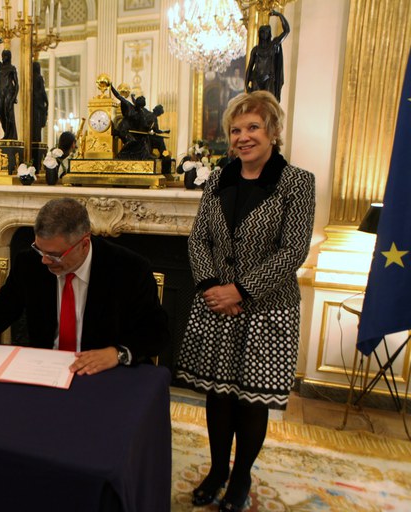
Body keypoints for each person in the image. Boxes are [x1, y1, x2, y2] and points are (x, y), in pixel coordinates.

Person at [175, 91, 315, 511]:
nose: (243, 137)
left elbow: (294, 250)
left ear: (272, 132)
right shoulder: (218, 178)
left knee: (251, 401)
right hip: (216, 305)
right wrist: (211, 287)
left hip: (268, 309)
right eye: (236, 130)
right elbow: (199, 238)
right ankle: (218, 469)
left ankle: (240, 478)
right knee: (218, 397)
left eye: (253, 127)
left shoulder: (297, 182)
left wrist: (242, 290)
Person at [0, 198, 170, 376]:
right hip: (45, 371)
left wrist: (117, 353)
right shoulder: (30, 263)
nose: (44, 261)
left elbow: (157, 332)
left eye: (55, 255)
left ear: (84, 244)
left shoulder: (128, 268)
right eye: (40, 250)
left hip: (103, 374)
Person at [245, 10, 290, 101]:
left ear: (269, 34)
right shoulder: (256, 49)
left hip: (269, 78)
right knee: (255, 104)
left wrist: (279, 15)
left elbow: (286, 31)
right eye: (262, 32)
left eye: (266, 32)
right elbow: (250, 66)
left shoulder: (273, 45)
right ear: (259, 34)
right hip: (256, 78)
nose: (264, 34)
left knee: (269, 104)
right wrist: (246, 84)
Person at [0, 38, 19, 140]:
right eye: (2, 56)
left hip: (9, 93)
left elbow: (17, 84)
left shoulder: (12, 68)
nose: (2, 57)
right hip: (1, 93)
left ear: (8, 57)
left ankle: (8, 135)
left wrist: (14, 97)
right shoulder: (0, 66)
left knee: (8, 114)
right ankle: (7, 132)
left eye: (4, 56)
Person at [31, 61, 48, 143]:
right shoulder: (39, 77)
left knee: (35, 124)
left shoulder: (30, 77)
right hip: (38, 104)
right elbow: (42, 91)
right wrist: (47, 101)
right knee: (37, 124)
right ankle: (37, 139)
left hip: (34, 103)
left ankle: (35, 138)